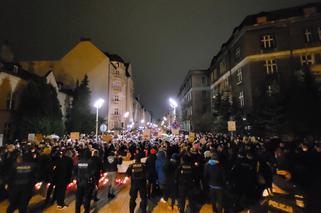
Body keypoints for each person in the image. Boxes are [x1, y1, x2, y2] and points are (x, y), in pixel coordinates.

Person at [75, 149, 96, 213]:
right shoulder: (91, 162)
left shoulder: (79, 162)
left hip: (79, 182)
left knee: (78, 198)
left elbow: (75, 171)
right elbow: (93, 172)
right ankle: (86, 211)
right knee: (87, 198)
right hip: (88, 183)